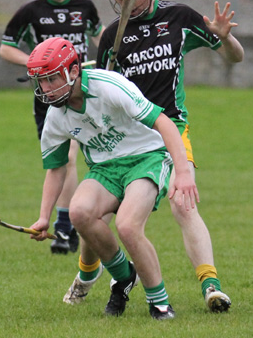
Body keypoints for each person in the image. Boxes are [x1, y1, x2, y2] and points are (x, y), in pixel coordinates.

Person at [65, 0, 243, 312]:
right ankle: (88, 272)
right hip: (124, 136)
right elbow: (98, 91)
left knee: (183, 202)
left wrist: (225, 39)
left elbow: (234, 58)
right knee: (95, 211)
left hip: (170, 127)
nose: (122, 5)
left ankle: (211, 286)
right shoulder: (113, 35)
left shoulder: (180, 17)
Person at [27, 37, 199, 320]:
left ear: (73, 71)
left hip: (147, 158)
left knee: (128, 226)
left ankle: (160, 303)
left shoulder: (109, 87)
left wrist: (182, 172)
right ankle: (123, 276)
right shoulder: (56, 115)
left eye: (51, 79)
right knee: (80, 213)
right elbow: (56, 168)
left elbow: (164, 122)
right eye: (40, 81)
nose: (45, 88)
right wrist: (44, 217)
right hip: (105, 169)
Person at [0, 0, 104, 254]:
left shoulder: (86, 7)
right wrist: (34, 61)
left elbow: (102, 38)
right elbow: (6, 48)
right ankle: (64, 225)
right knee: (66, 159)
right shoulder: (30, 11)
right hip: (48, 94)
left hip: (84, 91)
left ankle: (72, 223)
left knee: (87, 156)